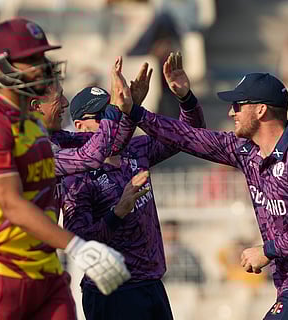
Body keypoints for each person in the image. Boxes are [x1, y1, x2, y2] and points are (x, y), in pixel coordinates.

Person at [130, 72, 288, 320]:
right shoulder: (245, 151)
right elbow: (188, 137)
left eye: (238, 106)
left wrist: (267, 250)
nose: (231, 113)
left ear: (260, 110)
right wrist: (135, 112)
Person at [0, 18, 132, 320]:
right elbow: (11, 204)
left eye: (42, 57)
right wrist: (78, 246)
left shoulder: (35, 127)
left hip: (46, 273)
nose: (43, 66)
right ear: (2, 68)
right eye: (32, 59)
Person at [61, 51, 205, 320]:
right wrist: (118, 213)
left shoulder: (134, 149)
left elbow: (189, 135)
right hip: (113, 292)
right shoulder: (76, 174)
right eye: (101, 115)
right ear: (80, 126)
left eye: (112, 110)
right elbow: (78, 244)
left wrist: (184, 97)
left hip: (151, 283)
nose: (110, 119)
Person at [161, 220, 205, 286]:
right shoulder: (155, 252)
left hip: (183, 285)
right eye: (168, 230)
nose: (171, 233)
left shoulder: (186, 252)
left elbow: (196, 273)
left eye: (173, 230)